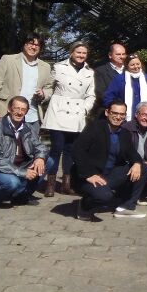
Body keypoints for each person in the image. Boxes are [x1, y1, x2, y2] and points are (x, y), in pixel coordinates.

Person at [72, 101, 147, 220]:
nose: (118, 117)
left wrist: (137, 163)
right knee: (105, 196)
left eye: (122, 114)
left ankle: (126, 207)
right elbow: (77, 150)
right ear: (107, 112)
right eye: (114, 113)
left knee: (144, 168)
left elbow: (132, 153)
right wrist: (88, 175)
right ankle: (84, 206)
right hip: (87, 176)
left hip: (109, 175)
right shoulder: (94, 128)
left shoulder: (124, 133)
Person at [0, 96, 49, 208]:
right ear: (9, 109)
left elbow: (41, 147)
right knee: (12, 182)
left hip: (16, 167)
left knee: (48, 162)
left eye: (23, 110)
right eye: (16, 108)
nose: (19, 112)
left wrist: (40, 158)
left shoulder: (27, 127)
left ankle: (20, 196)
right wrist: (23, 172)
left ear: (27, 112)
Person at [41, 41, 94, 197]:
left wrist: (85, 108)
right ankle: (50, 184)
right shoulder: (58, 67)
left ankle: (66, 184)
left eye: (84, 53)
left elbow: (91, 94)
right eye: (78, 52)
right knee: (56, 148)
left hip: (77, 113)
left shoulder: (89, 72)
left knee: (70, 150)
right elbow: (49, 87)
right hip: (59, 111)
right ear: (72, 53)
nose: (81, 55)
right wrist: (43, 95)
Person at [0, 33, 53, 134]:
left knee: (29, 149)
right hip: (6, 114)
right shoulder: (8, 60)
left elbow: (49, 88)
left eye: (37, 45)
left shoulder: (46, 67)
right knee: (4, 148)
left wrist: (43, 94)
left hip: (32, 118)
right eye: (30, 43)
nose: (33, 47)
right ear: (24, 44)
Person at [103, 53, 147, 122]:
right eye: (132, 65)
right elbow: (108, 97)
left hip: (144, 119)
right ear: (127, 66)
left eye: (138, 64)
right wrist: (116, 110)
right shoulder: (119, 79)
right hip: (123, 119)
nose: (136, 67)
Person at [92, 42, 127, 120]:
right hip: (107, 113)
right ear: (110, 55)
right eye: (118, 54)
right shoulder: (100, 71)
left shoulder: (130, 71)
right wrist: (118, 107)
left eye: (123, 54)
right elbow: (101, 93)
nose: (121, 57)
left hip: (127, 114)